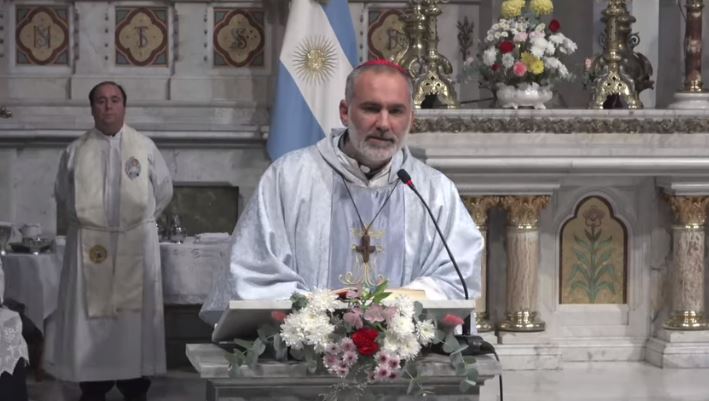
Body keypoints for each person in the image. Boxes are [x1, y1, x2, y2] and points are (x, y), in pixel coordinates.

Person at [201, 60, 483, 323]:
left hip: (403, 360)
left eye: (396, 111)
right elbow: (255, 271)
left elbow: (457, 277)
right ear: (345, 112)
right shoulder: (289, 178)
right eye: (372, 108)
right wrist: (321, 315)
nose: (384, 124)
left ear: (411, 118)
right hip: (305, 358)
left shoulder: (433, 191)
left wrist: (392, 311)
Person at [45, 81, 173, 401]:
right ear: (91, 108)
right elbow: (63, 193)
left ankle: (135, 386)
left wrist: (136, 224)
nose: (108, 107)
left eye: (114, 100)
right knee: (92, 319)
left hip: (135, 244)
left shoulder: (144, 147)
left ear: (124, 106)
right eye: (101, 101)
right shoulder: (76, 150)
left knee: (132, 323)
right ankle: (93, 385)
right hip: (90, 242)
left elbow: (163, 191)